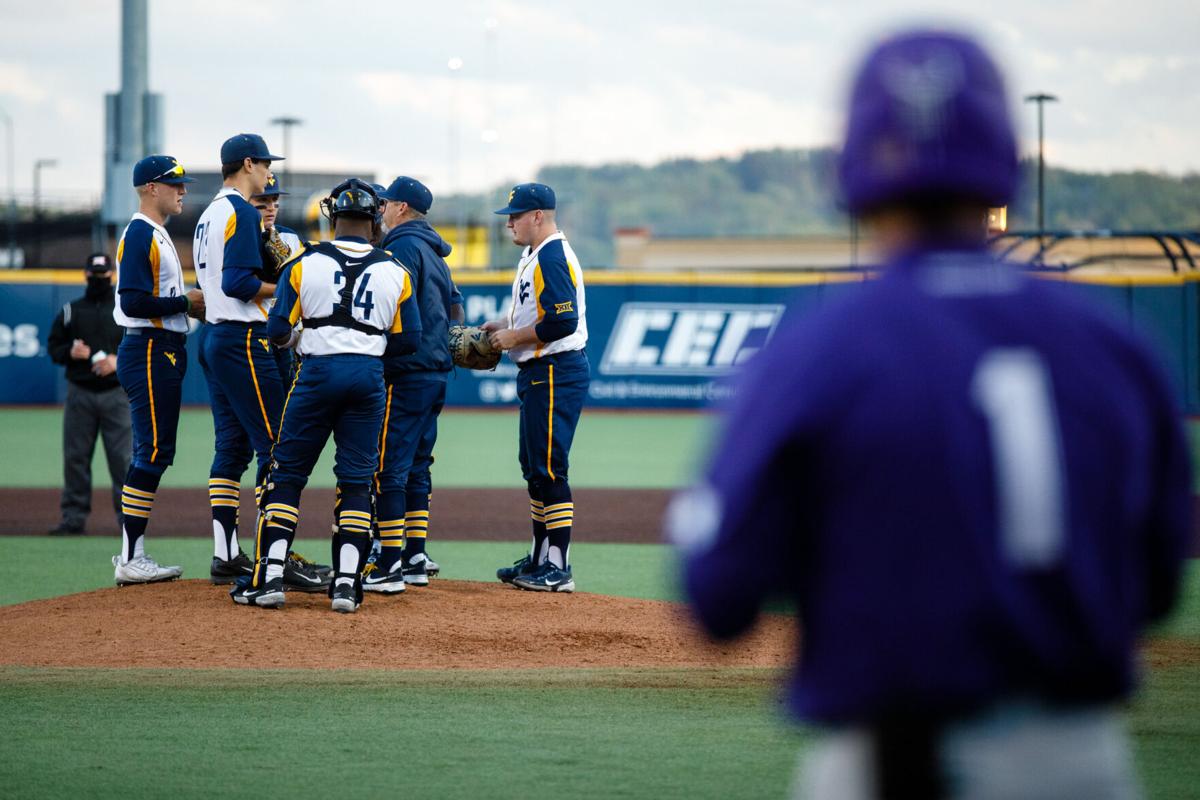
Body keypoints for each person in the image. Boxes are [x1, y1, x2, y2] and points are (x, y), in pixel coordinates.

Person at [669, 30, 1191, 799]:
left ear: (851, 162)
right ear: (1004, 156)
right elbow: (1156, 588)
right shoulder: (1114, 346)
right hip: (1081, 761)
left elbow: (718, 598)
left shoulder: (819, 351)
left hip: (892, 760)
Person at [231, 179, 421, 612]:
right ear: (375, 221)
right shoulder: (396, 269)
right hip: (368, 378)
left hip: (316, 375)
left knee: (288, 475)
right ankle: (347, 585)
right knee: (356, 482)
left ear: (333, 217)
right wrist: (368, 356)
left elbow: (277, 329)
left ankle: (270, 578)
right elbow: (409, 341)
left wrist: (300, 338)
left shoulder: (303, 262)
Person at [193, 133, 326, 592]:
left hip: (213, 335)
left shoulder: (210, 213)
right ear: (247, 163)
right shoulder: (240, 212)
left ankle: (227, 554)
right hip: (241, 338)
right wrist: (289, 290)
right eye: (266, 164)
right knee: (277, 447)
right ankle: (276, 559)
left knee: (231, 447)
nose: (269, 172)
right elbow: (238, 284)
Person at [361, 176, 464, 593]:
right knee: (418, 465)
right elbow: (456, 304)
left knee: (389, 467)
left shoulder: (400, 246)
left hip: (405, 372)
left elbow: (391, 304)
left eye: (386, 202)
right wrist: (447, 340)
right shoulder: (435, 250)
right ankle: (415, 554)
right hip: (436, 373)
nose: (381, 208)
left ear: (401, 208)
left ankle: (387, 562)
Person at [484, 183, 589, 593]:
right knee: (533, 468)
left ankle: (558, 566)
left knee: (549, 467)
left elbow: (563, 321)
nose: (509, 221)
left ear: (538, 216)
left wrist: (516, 337)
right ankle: (540, 556)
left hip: (555, 370)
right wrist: (508, 328)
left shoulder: (552, 255)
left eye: (516, 214)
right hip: (540, 371)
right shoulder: (535, 254)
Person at [111, 155, 205, 585]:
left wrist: (187, 310)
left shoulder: (157, 233)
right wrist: (184, 302)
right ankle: (131, 556)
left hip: (162, 347)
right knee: (151, 451)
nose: (182, 190)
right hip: (147, 348)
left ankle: (133, 553)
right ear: (150, 187)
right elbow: (132, 303)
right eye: (173, 183)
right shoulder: (140, 233)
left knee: (157, 450)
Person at [46, 253, 131, 536]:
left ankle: (128, 519)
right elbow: (53, 347)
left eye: (104, 275)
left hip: (115, 393)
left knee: (122, 459)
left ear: (112, 276)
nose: (100, 279)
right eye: (95, 275)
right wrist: (70, 351)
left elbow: (140, 346)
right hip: (80, 392)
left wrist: (117, 360)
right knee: (76, 457)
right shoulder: (71, 310)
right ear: (85, 275)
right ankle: (73, 517)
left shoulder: (123, 310)